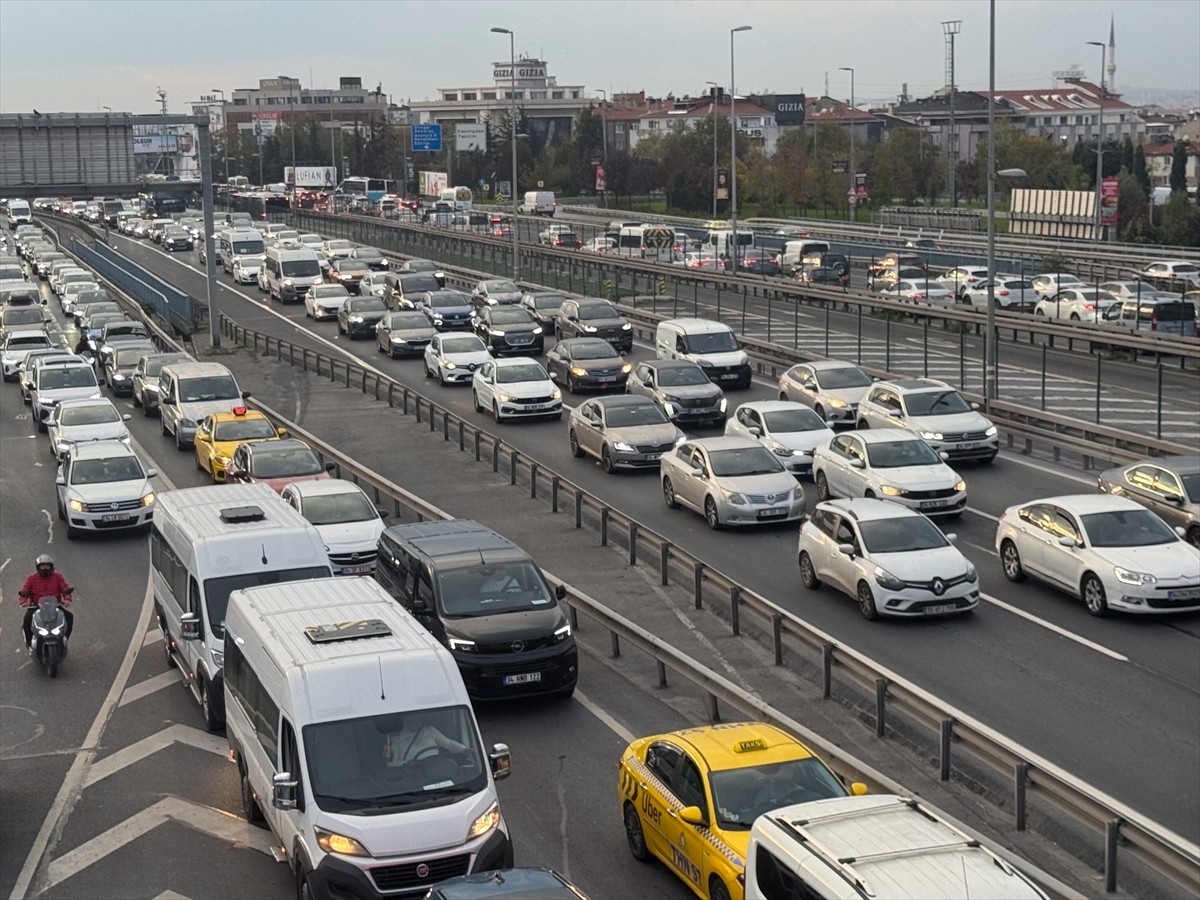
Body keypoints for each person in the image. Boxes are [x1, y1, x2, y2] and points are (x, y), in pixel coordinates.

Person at [19, 554, 74, 651]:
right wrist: (23, 602)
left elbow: (65, 589)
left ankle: (63, 640)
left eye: (47, 566)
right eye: (42, 566)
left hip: (55, 606)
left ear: (51, 566)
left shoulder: (57, 577)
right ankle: (29, 644)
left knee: (69, 617)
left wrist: (67, 599)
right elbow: (24, 591)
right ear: (38, 567)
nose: (45, 568)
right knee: (27, 620)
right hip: (36, 607)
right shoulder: (31, 578)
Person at [382, 714, 467, 766]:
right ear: (404, 721)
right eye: (411, 720)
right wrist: (408, 764)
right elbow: (392, 763)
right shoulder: (396, 739)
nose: (414, 722)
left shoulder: (430, 730)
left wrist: (465, 750)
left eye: (417, 719)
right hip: (412, 774)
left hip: (435, 767)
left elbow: (449, 744)